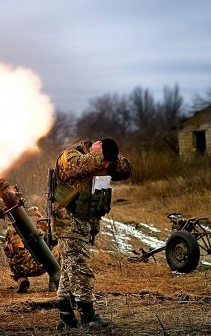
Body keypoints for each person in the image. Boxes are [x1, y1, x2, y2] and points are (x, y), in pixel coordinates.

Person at [51, 138, 132, 328]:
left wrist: (109, 160)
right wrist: (97, 157)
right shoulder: (70, 156)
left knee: (70, 268)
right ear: (94, 149)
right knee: (80, 267)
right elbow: (76, 167)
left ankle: (66, 315)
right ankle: (87, 316)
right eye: (103, 161)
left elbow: (126, 170)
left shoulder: (102, 160)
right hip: (68, 221)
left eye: (107, 163)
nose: (105, 166)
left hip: (86, 223)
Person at [4, 206, 60, 293]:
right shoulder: (42, 223)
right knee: (58, 248)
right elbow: (54, 239)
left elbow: (8, 249)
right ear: (36, 213)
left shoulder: (11, 226)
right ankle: (54, 284)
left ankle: (22, 280)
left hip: (18, 267)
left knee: (12, 251)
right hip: (39, 265)